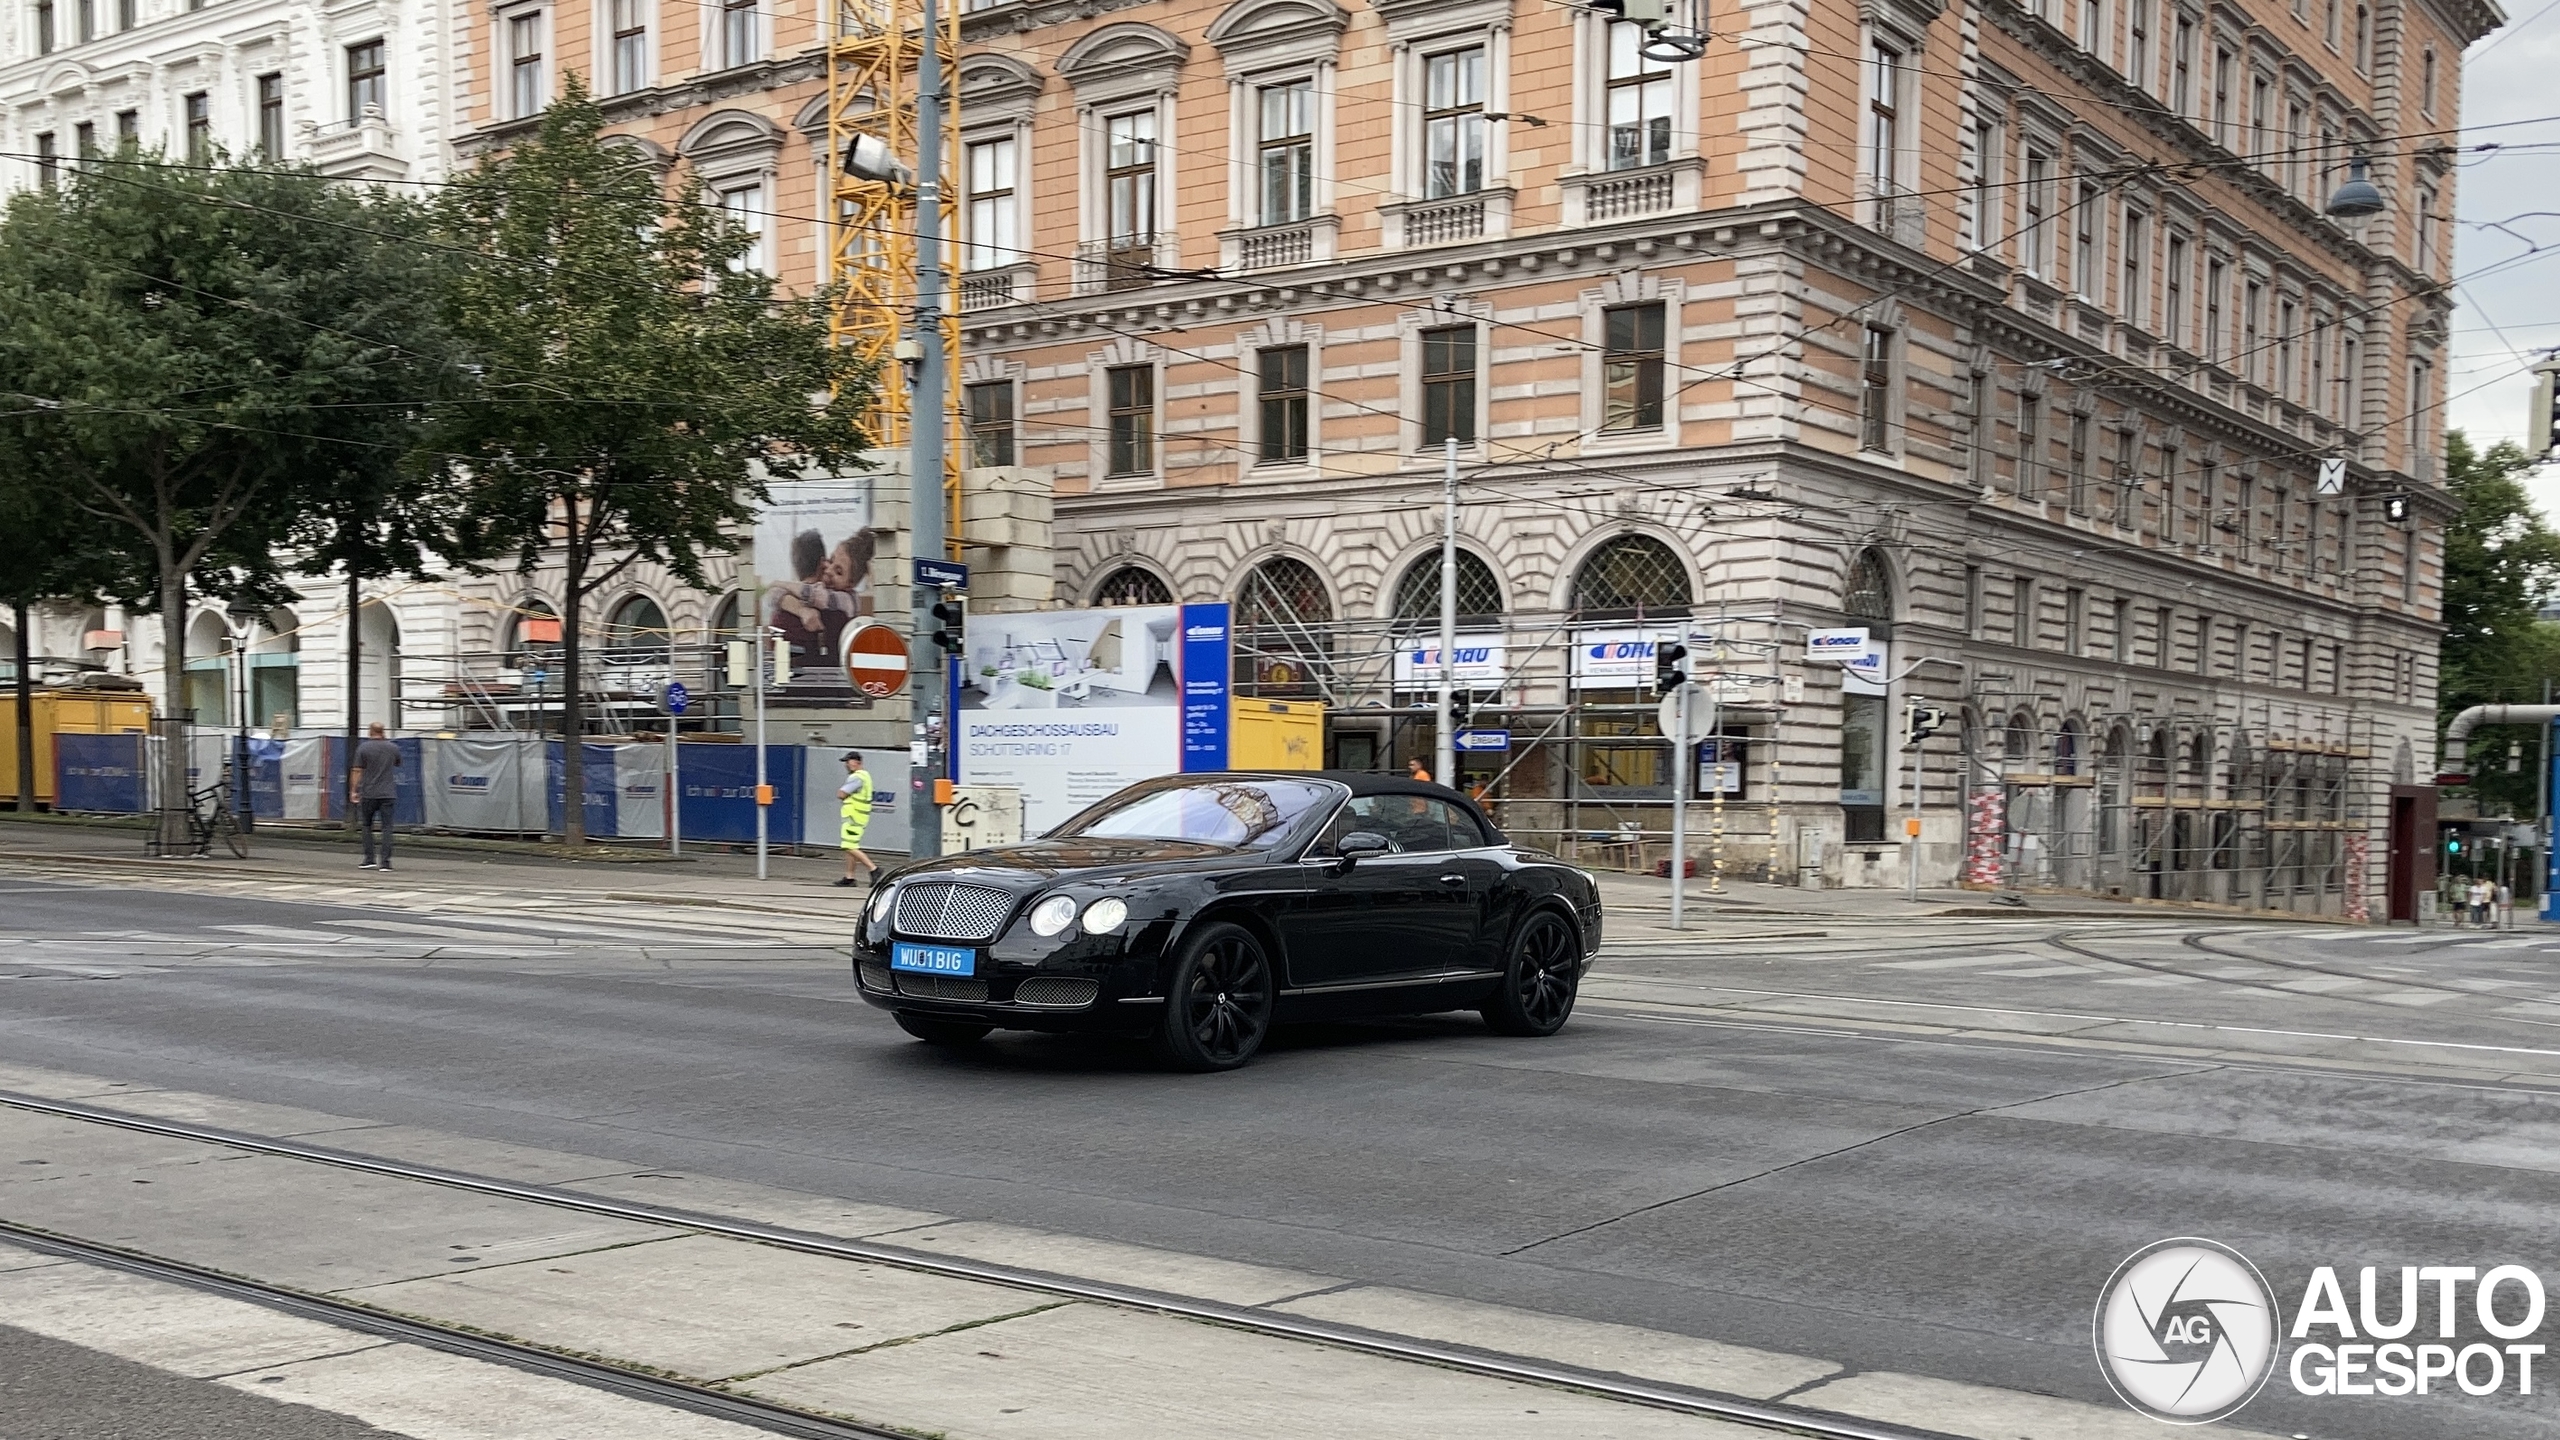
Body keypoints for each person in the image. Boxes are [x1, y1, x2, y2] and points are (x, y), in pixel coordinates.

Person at [349, 723, 401, 872]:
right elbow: (397, 763)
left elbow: (357, 770)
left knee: (366, 825)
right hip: (388, 793)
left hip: (368, 793)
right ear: (383, 732)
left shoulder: (363, 748)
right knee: (387, 827)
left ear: (370, 732)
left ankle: (369, 859)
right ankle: (385, 862)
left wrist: (353, 790)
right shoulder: (393, 747)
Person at [835, 750, 876, 887]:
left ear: (857, 762)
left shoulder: (857, 777)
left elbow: (841, 794)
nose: (846, 764)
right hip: (859, 816)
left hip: (853, 817)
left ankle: (874, 869)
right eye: (846, 762)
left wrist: (842, 793)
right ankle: (849, 877)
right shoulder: (866, 776)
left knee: (848, 846)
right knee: (851, 846)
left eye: (849, 761)